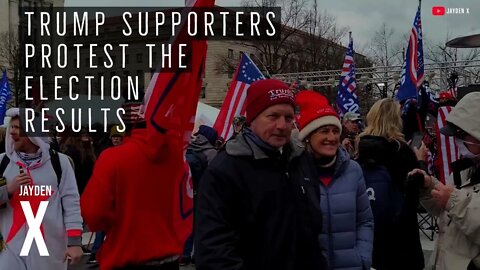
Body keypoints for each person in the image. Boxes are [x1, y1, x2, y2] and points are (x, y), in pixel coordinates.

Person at [195, 79, 326, 270]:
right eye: (273, 116)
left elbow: (313, 232)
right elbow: (214, 252)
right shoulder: (225, 171)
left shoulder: (301, 161)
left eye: (288, 118)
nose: (282, 125)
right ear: (253, 118)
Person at [81, 100, 190, 270]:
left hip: (126, 255)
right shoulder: (175, 158)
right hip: (169, 256)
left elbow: (94, 213)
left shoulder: (112, 158)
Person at [295, 90, 373, 270]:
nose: (331, 137)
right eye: (324, 131)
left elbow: (365, 221)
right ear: (308, 136)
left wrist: (363, 259)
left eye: (335, 131)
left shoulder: (353, 170)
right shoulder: (295, 171)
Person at [0, 108, 83, 269]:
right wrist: (7, 190)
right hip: (9, 251)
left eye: (19, 128)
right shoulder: (2, 162)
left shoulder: (60, 163)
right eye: (12, 127)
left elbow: (71, 203)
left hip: (48, 252)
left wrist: (74, 242)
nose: (12, 133)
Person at [410, 92, 480, 270]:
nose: (457, 140)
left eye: (462, 134)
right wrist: (429, 187)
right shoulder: (466, 170)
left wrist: (453, 200)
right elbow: (446, 215)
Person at [356, 98, 427, 270]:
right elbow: (415, 199)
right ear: (396, 120)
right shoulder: (402, 152)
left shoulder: (359, 151)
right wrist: (420, 163)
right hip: (400, 241)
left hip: (369, 236)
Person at [180, 125, 219, 266]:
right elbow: (214, 177)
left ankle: (184, 254)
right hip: (203, 194)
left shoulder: (189, 146)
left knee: (188, 223)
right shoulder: (211, 152)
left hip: (187, 192)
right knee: (202, 225)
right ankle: (198, 256)